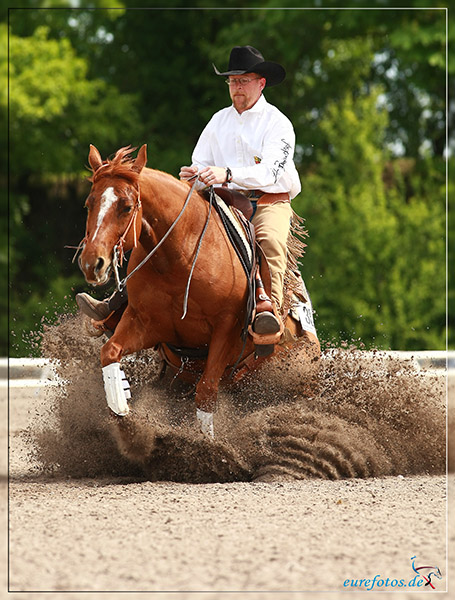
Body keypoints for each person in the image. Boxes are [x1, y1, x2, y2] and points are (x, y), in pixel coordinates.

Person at [77, 45, 300, 339]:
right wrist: (194, 174)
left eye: (243, 81)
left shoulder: (278, 124)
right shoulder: (218, 121)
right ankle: (120, 301)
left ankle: (268, 312)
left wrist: (227, 174)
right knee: (167, 235)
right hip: (223, 200)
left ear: (261, 83)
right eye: (232, 82)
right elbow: (200, 162)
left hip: (267, 202)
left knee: (269, 241)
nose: (236, 88)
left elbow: (270, 173)